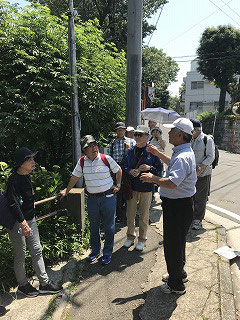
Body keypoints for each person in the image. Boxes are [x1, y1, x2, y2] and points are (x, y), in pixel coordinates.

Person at [140, 118, 197, 295]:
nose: (169, 133)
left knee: (172, 245)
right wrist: (157, 153)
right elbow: (173, 163)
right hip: (181, 205)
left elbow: (172, 182)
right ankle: (179, 273)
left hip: (177, 207)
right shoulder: (183, 152)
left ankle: (176, 284)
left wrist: (153, 178)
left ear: (180, 134)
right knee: (178, 244)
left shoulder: (182, 156)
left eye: (172, 131)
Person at [6, 147, 62, 298]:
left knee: (37, 250)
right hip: (19, 223)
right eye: (30, 159)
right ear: (21, 163)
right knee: (20, 254)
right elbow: (13, 204)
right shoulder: (13, 180)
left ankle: (44, 283)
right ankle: (23, 284)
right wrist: (23, 222)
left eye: (33, 159)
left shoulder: (26, 176)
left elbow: (25, 199)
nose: (33, 162)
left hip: (30, 220)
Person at [61, 135, 122, 265]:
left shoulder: (106, 159)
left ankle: (107, 253)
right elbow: (74, 177)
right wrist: (66, 191)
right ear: (84, 150)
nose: (94, 148)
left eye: (95, 145)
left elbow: (118, 170)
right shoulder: (82, 162)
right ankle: (95, 251)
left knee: (109, 227)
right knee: (93, 227)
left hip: (108, 197)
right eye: (90, 146)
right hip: (93, 199)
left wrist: (118, 185)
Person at [121, 125, 163, 251]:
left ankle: (142, 239)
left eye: (140, 134)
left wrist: (150, 168)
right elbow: (123, 166)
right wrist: (130, 171)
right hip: (132, 187)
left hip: (146, 187)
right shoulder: (131, 150)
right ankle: (130, 237)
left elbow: (160, 169)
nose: (137, 137)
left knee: (144, 215)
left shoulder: (152, 151)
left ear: (147, 136)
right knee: (130, 214)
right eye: (136, 134)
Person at [190, 119, 215, 230]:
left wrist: (200, 167)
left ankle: (197, 220)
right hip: (190, 174)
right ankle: (191, 217)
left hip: (203, 174)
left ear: (195, 130)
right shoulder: (190, 139)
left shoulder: (207, 139)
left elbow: (211, 156)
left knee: (200, 198)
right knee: (190, 196)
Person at [109, 122, 135, 222]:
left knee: (128, 190)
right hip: (116, 168)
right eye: (118, 130)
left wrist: (129, 149)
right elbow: (110, 157)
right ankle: (119, 215)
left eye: (122, 129)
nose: (120, 131)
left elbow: (134, 156)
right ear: (116, 131)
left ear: (125, 130)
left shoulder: (131, 141)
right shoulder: (112, 142)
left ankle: (129, 214)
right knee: (117, 191)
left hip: (127, 168)